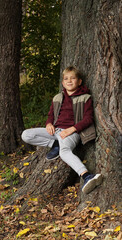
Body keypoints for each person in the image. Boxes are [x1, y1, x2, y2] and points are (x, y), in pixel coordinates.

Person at [21, 66, 102, 194]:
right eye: (66, 79)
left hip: (72, 133)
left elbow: (88, 119)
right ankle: (54, 144)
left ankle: (87, 176)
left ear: (79, 81)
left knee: (64, 152)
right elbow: (51, 116)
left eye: (73, 78)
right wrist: (48, 124)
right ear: (63, 82)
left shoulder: (85, 97)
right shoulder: (57, 98)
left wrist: (71, 130)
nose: (69, 81)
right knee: (26, 135)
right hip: (56, 131)